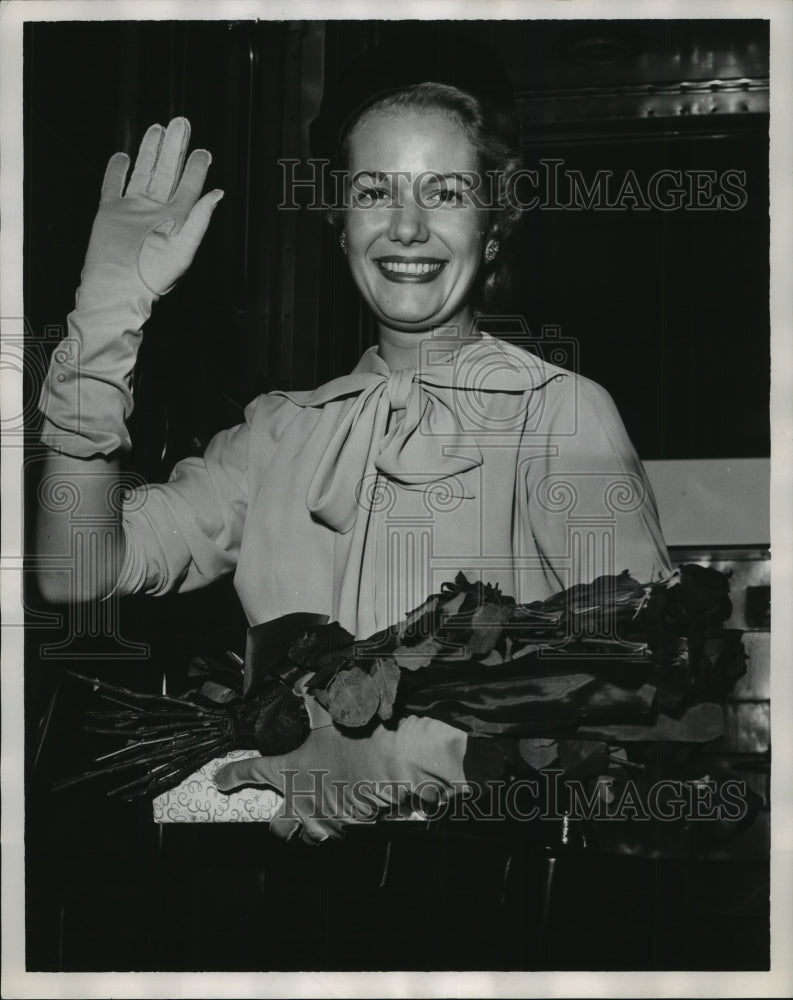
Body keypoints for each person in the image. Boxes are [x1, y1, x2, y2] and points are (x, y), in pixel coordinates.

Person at [36, 82, 671, 843]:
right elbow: (76, 571)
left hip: (480, 898)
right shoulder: (275, 432)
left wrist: (402, 763)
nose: (406, 227)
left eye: (445, 193)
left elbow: (640, 681)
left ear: (493, 227)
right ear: (340, 227)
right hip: (278, 906)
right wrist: (107, 317)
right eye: (375, 191)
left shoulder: (556, 411)